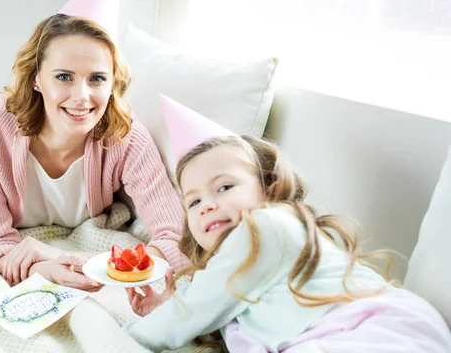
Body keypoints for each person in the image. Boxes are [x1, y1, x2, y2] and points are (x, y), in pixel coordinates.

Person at [124, 134, 451, 352]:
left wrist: (127, 337)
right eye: (193, 202)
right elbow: (202, 305)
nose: (207, 204)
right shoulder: (230, 269)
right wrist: (165, 304)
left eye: (224, 187)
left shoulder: (268, 227)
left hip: (372, 331)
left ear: (269, 188)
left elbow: (194, 310)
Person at [0, 14, 188, 290]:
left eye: (97, 79)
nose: (81, 96)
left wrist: (69, 260)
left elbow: (177, 240)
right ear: (35, 79)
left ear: (112, 84)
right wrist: (45, 271)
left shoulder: (125, 136)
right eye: (64, 77)